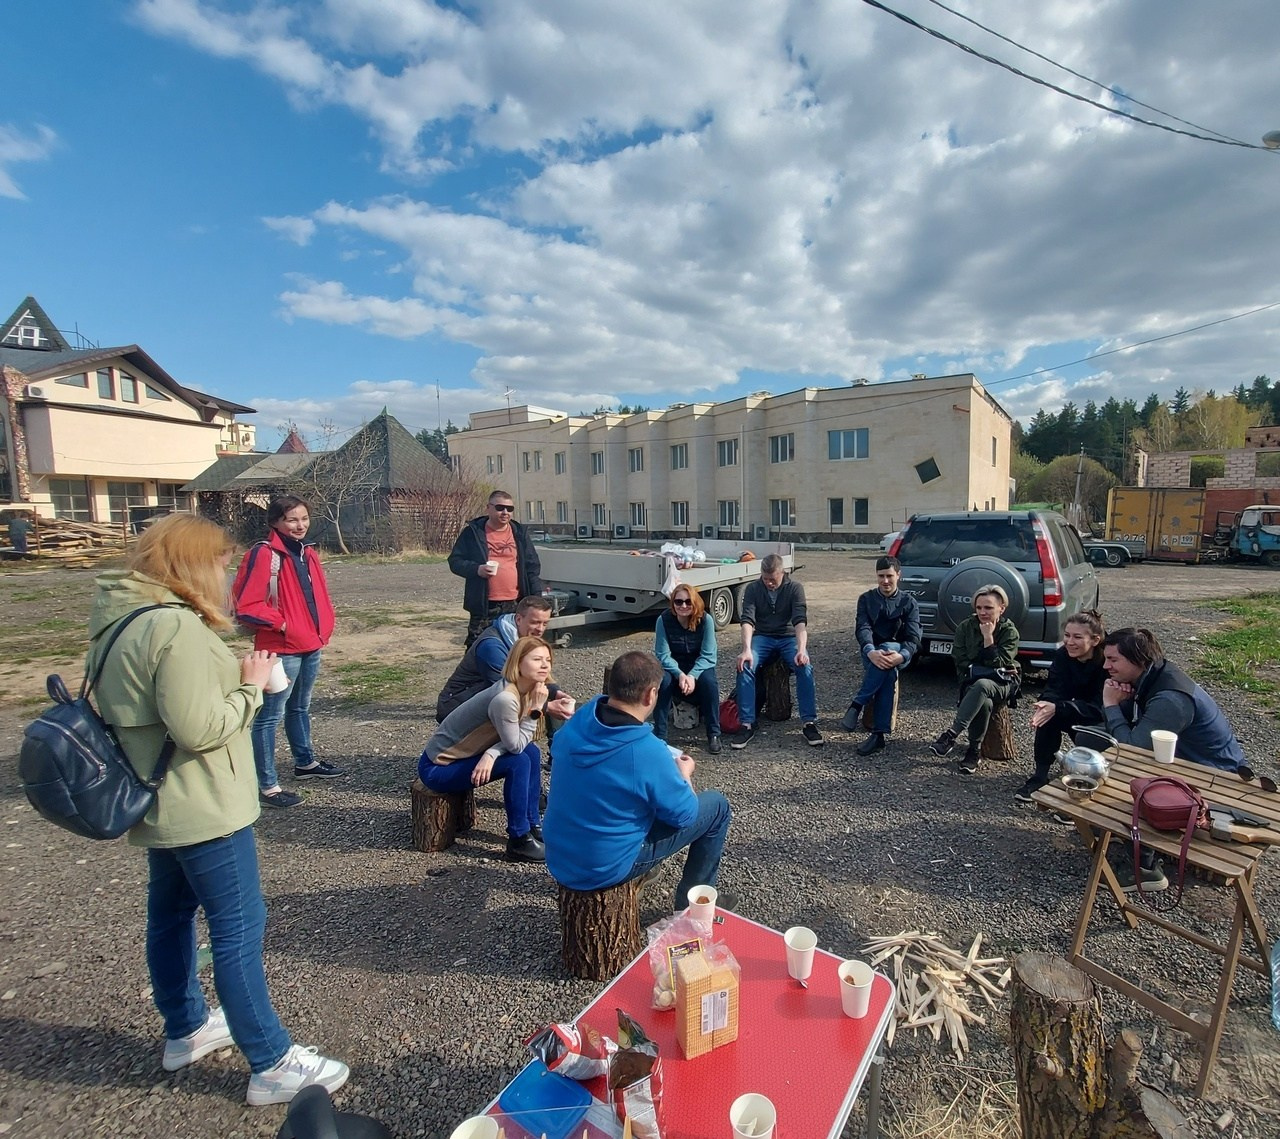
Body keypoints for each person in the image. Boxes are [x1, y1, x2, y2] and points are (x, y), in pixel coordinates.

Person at [87, 514, 348, 1106]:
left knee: (172, 916)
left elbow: (158, 704)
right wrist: (252, 685)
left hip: (160, 802)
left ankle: (186, 1026)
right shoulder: (173, 628)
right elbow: (201, 727)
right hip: (202, 802)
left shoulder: (119, 615)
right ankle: (272, 1062)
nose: (227, 573)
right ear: (190, 562)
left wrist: (227, 678)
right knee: (238, 928)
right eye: (221, 562)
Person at [543, 651, 733, 911]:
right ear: (650, 694)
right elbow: (685, 816)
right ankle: (693, 906)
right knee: (717, 807)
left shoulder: (585, 716)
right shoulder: (646, 752)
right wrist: (683, 775)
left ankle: (651, 873)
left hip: (558, 855)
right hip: (604, 867)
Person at [233, 496, 342, 810]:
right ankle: (266, 786)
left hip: (310, 644)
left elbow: (318, 595)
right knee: (269, 717)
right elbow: (247, 606)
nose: (300, 525)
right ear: (275, 523)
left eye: (304, 518)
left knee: (300, 708)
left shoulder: (308, 554)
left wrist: (324, 626)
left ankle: (305, 762)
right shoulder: (264, 555)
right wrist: (282, 625)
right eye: (292, 520)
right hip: (281, 649)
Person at [418, 635, 565, 862]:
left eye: (547, 659)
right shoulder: (505, 698)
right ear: (518, 663)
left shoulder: (530, 689)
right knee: (519, 761)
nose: (545, 665)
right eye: (537, 659)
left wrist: (491, 752)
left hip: (469, 755)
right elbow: (516, 746)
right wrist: (536, 710)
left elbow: (522, 740)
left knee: (532, 752)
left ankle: (534, 825)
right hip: (439, 767)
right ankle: (519, 840)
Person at [1101, 627, 1244, 771]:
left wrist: (1111, 704)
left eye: (1113, 660)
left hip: (1213, 771)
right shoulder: (1149, 675)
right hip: (1178, 758)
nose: (1106, 666)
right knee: (1089, 737)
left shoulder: (1169, 700)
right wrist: (1119, 701)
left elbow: (1131, 750)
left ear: (1140, 659)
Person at [729, 554, 822, 749]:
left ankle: (809, 722)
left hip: (788, 637)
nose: (769, 583)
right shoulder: (754, 589)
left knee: (805, 667)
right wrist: (746, 649)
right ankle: (746, 723)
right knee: (745, 664)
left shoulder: (795, 589)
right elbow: (747, 620)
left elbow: (799, 621)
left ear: (783, 573)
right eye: (765, 579)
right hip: (762, 636)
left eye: (773, 579)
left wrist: (802, 650)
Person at [1015, 610, 1106, 803]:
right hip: (1073, 707)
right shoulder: (1062, 655)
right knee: (1048, 717)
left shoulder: (1106, 662)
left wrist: (1060, 706)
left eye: (1077, 637)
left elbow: (1099, 707)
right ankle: (1040, 776)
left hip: (1098, 717)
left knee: (1082, 731)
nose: (1069, 642)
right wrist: (1046, 704)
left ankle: (1087, 782)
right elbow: (1054, 686)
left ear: (1095, 640)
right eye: (1067, 635)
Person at [929, 584, 1021, 774]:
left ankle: (951, 735)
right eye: (979, 608)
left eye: (988, 608)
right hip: (974, 683)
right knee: (984, 700)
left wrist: (988, 638)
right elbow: (960, 661)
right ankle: (974, 750)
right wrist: (987, 668)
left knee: (982, 684)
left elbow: (1002, 664)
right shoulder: (966, 627)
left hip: (1004, 684)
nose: (982, 612)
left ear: (1001, 608)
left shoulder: (1008, 631)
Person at [841, 556, 920, 756]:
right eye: (881, 576)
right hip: (872, 652)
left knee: (888, 654)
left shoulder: (908, 602)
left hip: (900, 653)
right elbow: (862, 628)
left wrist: (901, 656)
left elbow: (914, 637)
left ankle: (857, 704)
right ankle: (879, 735)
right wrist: (871, 650)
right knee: (887, 670)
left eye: (889, 576)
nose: (885, 581)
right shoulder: (866, 599)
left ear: (898, 576)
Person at [448, 490, 545, 647]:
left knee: (514, 647)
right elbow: (455, 561)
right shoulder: (473, 532)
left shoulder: (519, 533)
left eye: (509, 509)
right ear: (488, 508)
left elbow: (532, 567)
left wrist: (536, 600)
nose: (505, 512)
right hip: (484, 604)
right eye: (500, 507)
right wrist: (476, 569)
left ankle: (508, 673)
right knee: (477, 646)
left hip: (515, 602)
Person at [435, 595, 554, 722]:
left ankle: (558, 741)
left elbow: (539, 677)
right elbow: (506, 688)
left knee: (552, 700)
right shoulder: (492, 646)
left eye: (545, 623)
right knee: (531, 707)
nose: (540, 629)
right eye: (535, 622)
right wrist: (546, 707)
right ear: (519, 619)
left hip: (488, 699)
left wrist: (557, 693)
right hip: (456, 707)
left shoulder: (526, 639)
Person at [654, 584, 722, 755]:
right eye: (678, 602)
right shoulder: (663, 620)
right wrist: (680, 674)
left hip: (698, 665)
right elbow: (662, 654)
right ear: (673, 604)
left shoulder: (705, 620)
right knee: (663, 682)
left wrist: (692, 675)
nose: (683, 606)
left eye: (687, 602)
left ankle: (714, 733)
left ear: (694, 603)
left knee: (709, 683)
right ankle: (660, 736)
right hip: (674, 665)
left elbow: (709, 655)